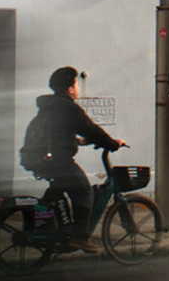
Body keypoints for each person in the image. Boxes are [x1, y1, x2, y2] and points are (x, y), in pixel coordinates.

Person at [21, 66, 125, 253]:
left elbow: (54, 134)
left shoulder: (50, 106)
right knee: (83, 189)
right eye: (76, 84)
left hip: (39, 158)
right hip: (57, 161)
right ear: (70, 88)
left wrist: (80, 141)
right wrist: (112, 143)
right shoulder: (68, 107)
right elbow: (91, 129)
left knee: (59, 191)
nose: (77, 88)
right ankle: (79, 237)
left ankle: (56, 229)